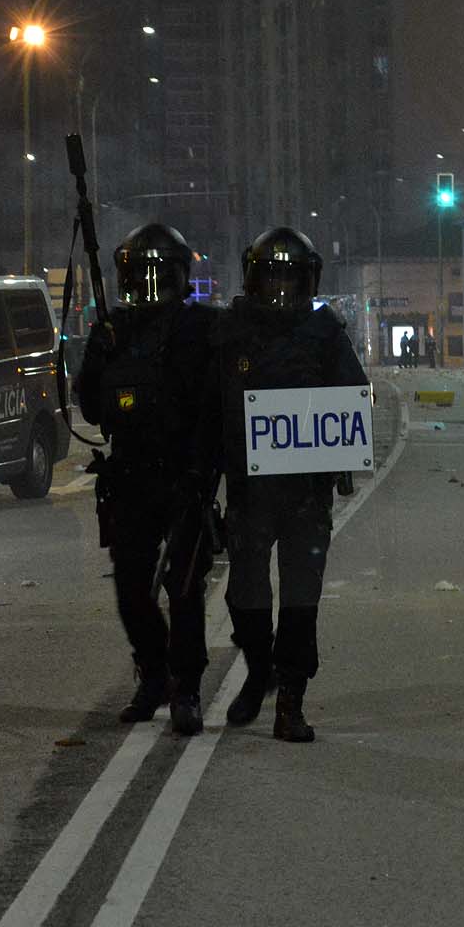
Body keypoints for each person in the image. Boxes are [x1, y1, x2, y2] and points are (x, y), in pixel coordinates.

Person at [206, 227, 369, 742]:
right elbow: (206, 409)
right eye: (271, 277)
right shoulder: (230, 333)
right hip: (250, 494)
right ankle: (259, 672)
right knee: (246, 593)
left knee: (301, 598)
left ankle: (291, 701)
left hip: (305, 494)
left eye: (289, 278)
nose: (280, 289)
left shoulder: (325, 335)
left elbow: (353, 397)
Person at [75, 223, 216, 735]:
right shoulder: (113, 330)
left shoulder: (201, 329)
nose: (151, 287)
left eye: (162, 275)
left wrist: (206, 472)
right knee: (132, 591)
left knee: (183, 589)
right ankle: (153, 674)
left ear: (181, 277)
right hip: (131, 475)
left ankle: (187, 687)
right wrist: (100, 358)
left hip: (185, 475)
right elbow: (91, 407)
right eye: (142, 276)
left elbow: (220, 402)